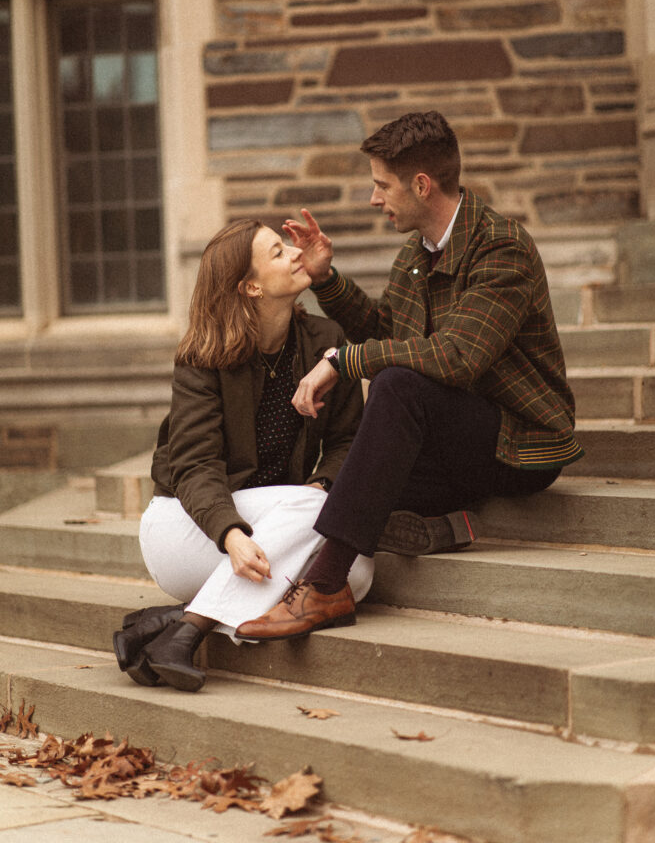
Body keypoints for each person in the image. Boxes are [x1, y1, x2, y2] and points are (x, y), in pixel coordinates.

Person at [234, 110, 584, 643]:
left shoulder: (501, 248)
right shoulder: (416, 255)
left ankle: (324, 586)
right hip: (450, 443)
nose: (375, 199)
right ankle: (440, 527)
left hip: (519, 444)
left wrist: (341, 360)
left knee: (395, 387)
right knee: (345, 483)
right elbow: (384, 327)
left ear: (421, 185)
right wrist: (326, 280)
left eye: (382, 185)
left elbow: (457, 357)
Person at [112, 219, 373, 691]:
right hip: (188, 527)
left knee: (355, 574)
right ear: (250, 286)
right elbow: (192, 466)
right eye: (278, 252)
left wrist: (320, 484)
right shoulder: (203, 355)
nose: (295, 253)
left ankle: (179, 624)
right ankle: (187, 626)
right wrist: (230, 535)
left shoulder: (324, 340)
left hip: (278, 523)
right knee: (324, 531)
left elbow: (348, 439)